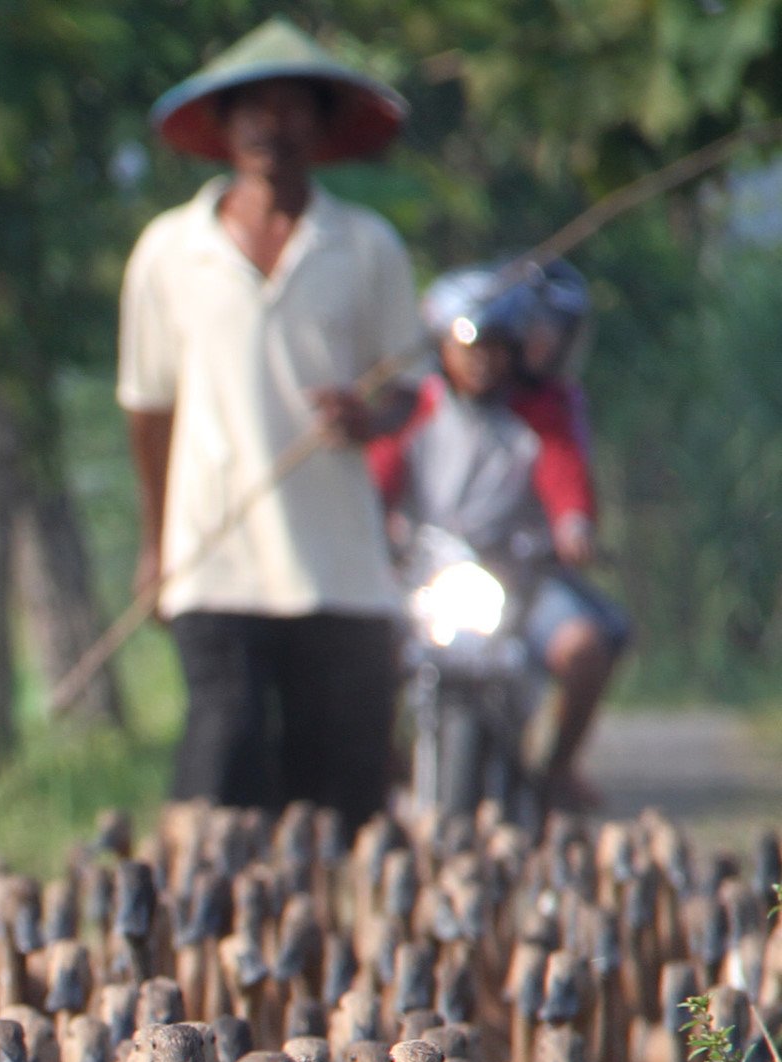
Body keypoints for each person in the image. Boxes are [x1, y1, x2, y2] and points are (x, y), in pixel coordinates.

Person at [118, 21, 421, 829]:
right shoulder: (169, 251)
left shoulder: (364, 247)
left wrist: (366, 417)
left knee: (343, 785)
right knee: (225, 757)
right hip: (214, 554)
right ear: (223, 127)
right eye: (252, 108)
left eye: (291, 109)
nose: (270, 126)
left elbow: (408, 391)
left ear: (321, 128)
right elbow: (149, 409)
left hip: (338, 565)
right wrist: (157, 546)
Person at [368, 266, 629, 810]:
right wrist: (371, 526)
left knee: (585, 646)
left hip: (518, 574)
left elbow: (565, 478)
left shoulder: (539, 413)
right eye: (469, 347)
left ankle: (557, 768)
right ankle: (383, 757)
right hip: (427, 574)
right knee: (364, 647)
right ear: (441, 348)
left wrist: (573, 526)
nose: (482, 361)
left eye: (495, 348)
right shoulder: (415, 410)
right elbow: (379, 481)